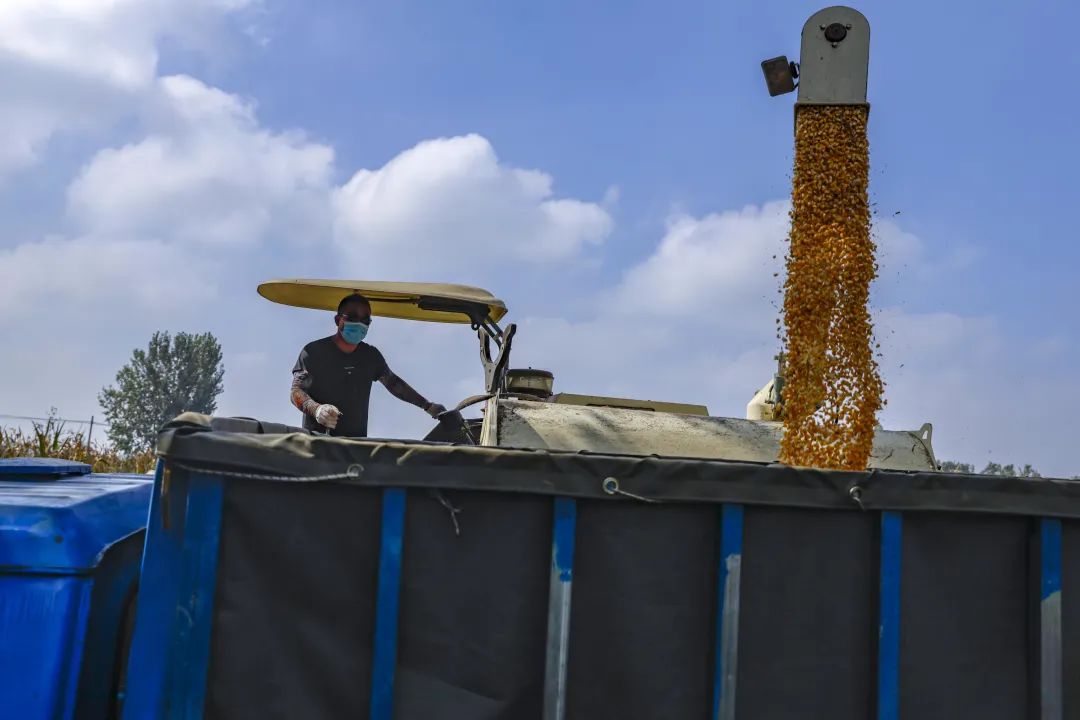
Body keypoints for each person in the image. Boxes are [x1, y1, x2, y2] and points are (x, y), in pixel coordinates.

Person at [290, 293, 447, 437]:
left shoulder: (370, 356)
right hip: (317, 444)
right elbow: (296, 391)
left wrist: (428, 406)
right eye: (352, 317)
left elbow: (394, 383)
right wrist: (316, 409)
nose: (359, 323)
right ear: (338, 321)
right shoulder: (313, 352)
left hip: (357, 447)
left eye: (365, 320)